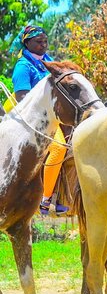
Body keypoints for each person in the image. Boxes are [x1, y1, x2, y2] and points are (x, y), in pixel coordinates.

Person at [8, 25, 69, 215]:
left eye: (45, 41)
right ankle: (45, 201)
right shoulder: (22, 67)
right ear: (27, 43)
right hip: (32, 120)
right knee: (59, 148)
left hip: (52, 116)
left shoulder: (49, 61)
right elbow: (22, 100)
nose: (43, 45)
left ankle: (63, 195)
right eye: (38, 42)